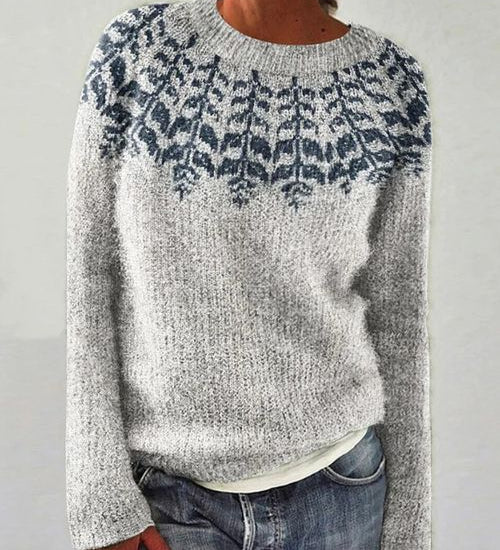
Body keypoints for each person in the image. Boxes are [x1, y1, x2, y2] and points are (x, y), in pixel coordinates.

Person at [65, 0, 433, 549]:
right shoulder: (139, 49)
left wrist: (409, 531)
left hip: (342, 493)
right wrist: (100, 500)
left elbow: (400, 316)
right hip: (169, 500)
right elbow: (88, 279)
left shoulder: (391, 85)